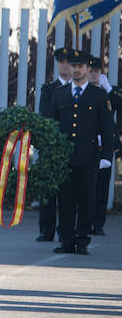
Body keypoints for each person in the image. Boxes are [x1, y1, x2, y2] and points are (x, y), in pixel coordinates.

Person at [48, 50, 114, 255]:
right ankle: (66, 239)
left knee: (86, 200)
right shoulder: (59, 93)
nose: (75, 70)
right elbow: (51, 124)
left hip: (88, 156)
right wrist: (50, 153)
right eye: (72, 66)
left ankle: (82, 240)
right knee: (65, 200)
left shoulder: (99, 95)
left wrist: (106, 156)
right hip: (64, 157)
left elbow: (107, 128)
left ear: (87, 68)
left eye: (80, 66)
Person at [35, 46, 72, 242]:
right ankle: (46, 230)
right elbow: (45, 117)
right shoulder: (48, 90)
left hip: (71, 147)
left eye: (67, 62)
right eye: (61, 62)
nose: (64, 65)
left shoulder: (78, 90)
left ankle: (66, 231)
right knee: (49, 191)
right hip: (51, 146)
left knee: (68, 194)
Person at [86, 56, 121, 237]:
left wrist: (108, 89)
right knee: (88, 185)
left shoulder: (109, 91)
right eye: (90, 71)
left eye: (96, 72)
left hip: (105, 146)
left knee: (102, 186)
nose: (93, 75)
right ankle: (86, 221)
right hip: (89, 144)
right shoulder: (85, 90)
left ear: (102, 73)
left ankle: (98, 223)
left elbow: (119, 105)